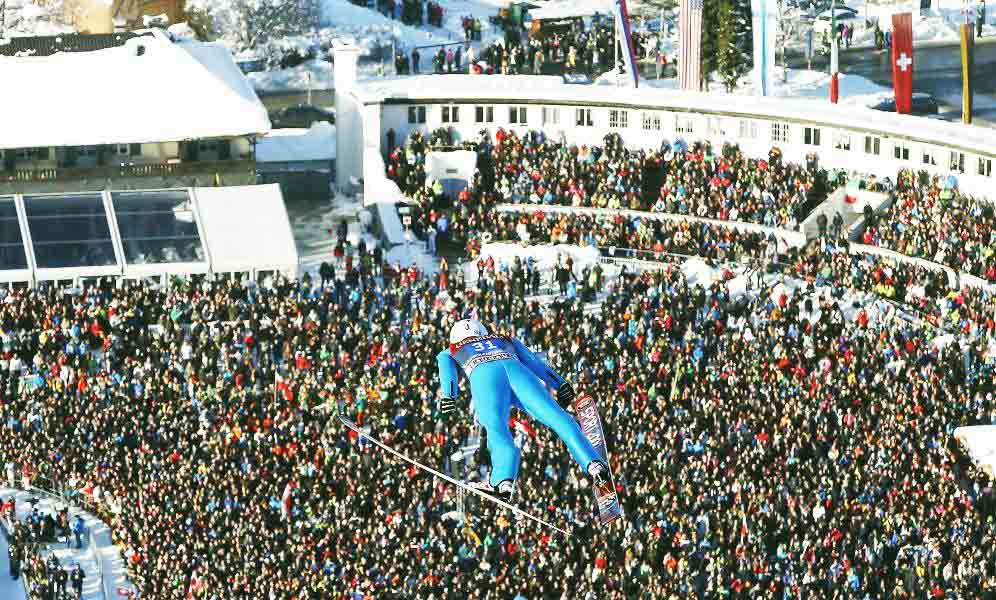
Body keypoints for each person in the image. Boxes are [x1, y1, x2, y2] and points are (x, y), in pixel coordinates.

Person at [436, 319, 607, 503]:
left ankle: (503, 481)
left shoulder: (454, 347)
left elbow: (445, 363)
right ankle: (593, 463)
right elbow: (534, 362)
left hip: (484, 375)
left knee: (497, 429)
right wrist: (559, 383)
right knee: (557, 416)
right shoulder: (504, 338)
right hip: (516, 370)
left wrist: (449, 395)